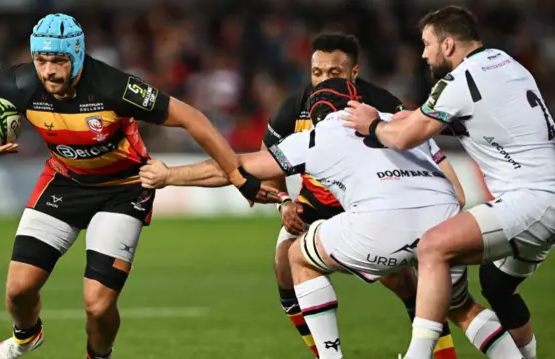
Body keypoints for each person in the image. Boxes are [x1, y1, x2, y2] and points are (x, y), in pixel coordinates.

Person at [0, 13, 273, 359]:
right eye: (41, 60)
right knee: (18, 291)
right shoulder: (22, 82)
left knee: (98, 307)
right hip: (65, 183)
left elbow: (192, 118)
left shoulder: (114, 87)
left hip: (123, 190)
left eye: (58, 60)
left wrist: (238, 178)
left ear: (78, 55)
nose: (48, 71)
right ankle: (25, 338)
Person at [139, 77, 520, 359]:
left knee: (297, 255)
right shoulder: (392, 116)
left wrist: (171, 175)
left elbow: (233, 167)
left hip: (386, 224)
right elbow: (443, 166)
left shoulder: (322, 134)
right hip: (445, 221)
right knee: (460, 305)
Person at [341, 5, 555, 359]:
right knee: (497, 285)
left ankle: (417, 356)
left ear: (449, 44)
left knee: (433, 247)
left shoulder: (459, 80)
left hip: (532, 199)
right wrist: (402, 118)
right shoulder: (505, 62)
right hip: (545, 193)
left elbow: (406, 137)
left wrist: (372, 124)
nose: (423, 53)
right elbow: (474, 118)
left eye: (427, 44)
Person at [261, 33, 462, 359]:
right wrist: (284, 201)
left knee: (402, 282)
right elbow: (268, 158)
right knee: (284, 262)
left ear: (354, 73)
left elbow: (417, 145)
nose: (323, 80)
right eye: (317, 73)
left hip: (370, 206)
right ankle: (323, 352)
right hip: (314, 205)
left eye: (334, 73)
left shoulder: (380, 103)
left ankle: (442, 352)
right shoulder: (294, 106)